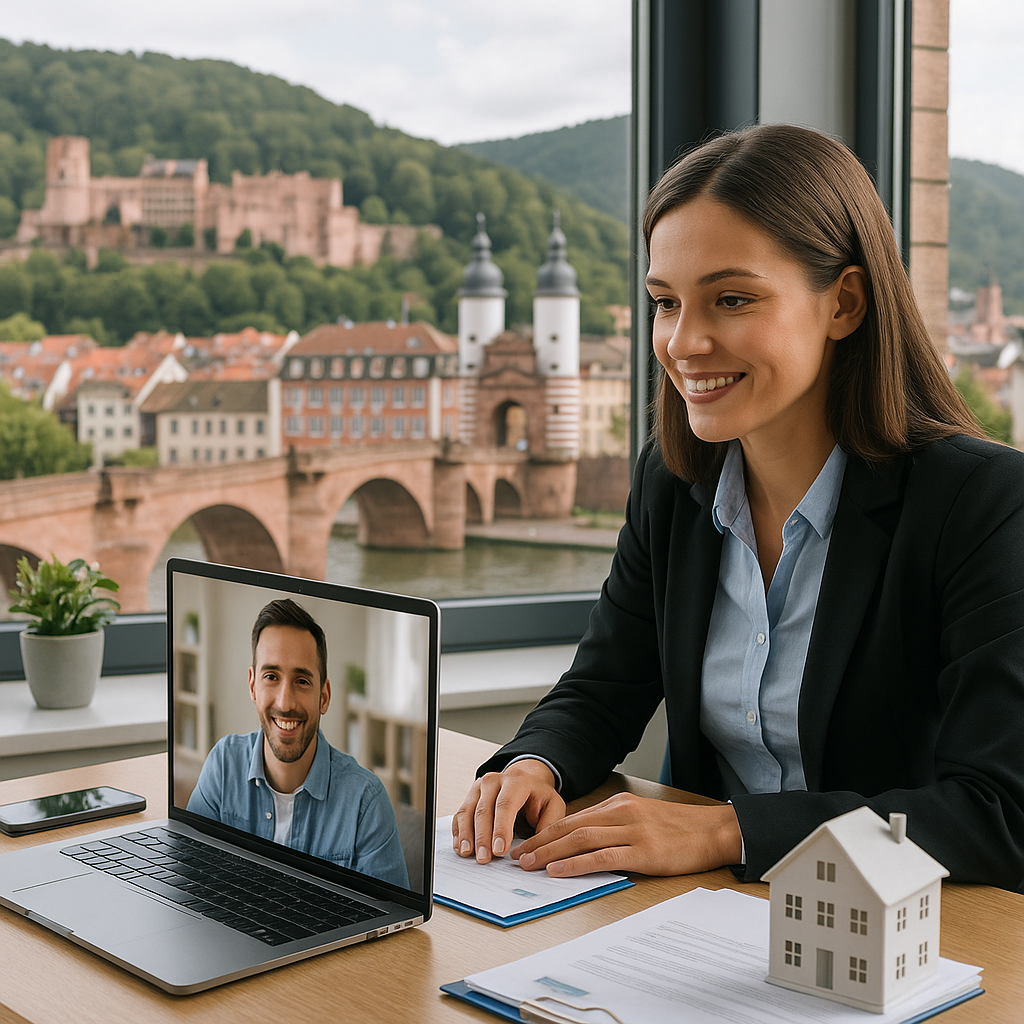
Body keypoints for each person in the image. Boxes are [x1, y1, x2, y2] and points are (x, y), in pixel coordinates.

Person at [453, 123, 1024, 891]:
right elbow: (603, 687)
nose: (684, 342)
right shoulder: (673, 484)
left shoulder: (982, 504)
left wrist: (725, 830)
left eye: (731, 298)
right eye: (664, 302)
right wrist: (533, 762)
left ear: (844, 303)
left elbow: (996, 814)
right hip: (694, 919)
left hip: (899, 948)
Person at [187, 598, 409, 887]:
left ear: (324, 696)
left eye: (302, 681)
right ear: (253, 685)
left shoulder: (365, 802)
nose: (285, 702)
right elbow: (188, 877)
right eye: (271, 676)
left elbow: (393, 924)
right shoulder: (223, 764)